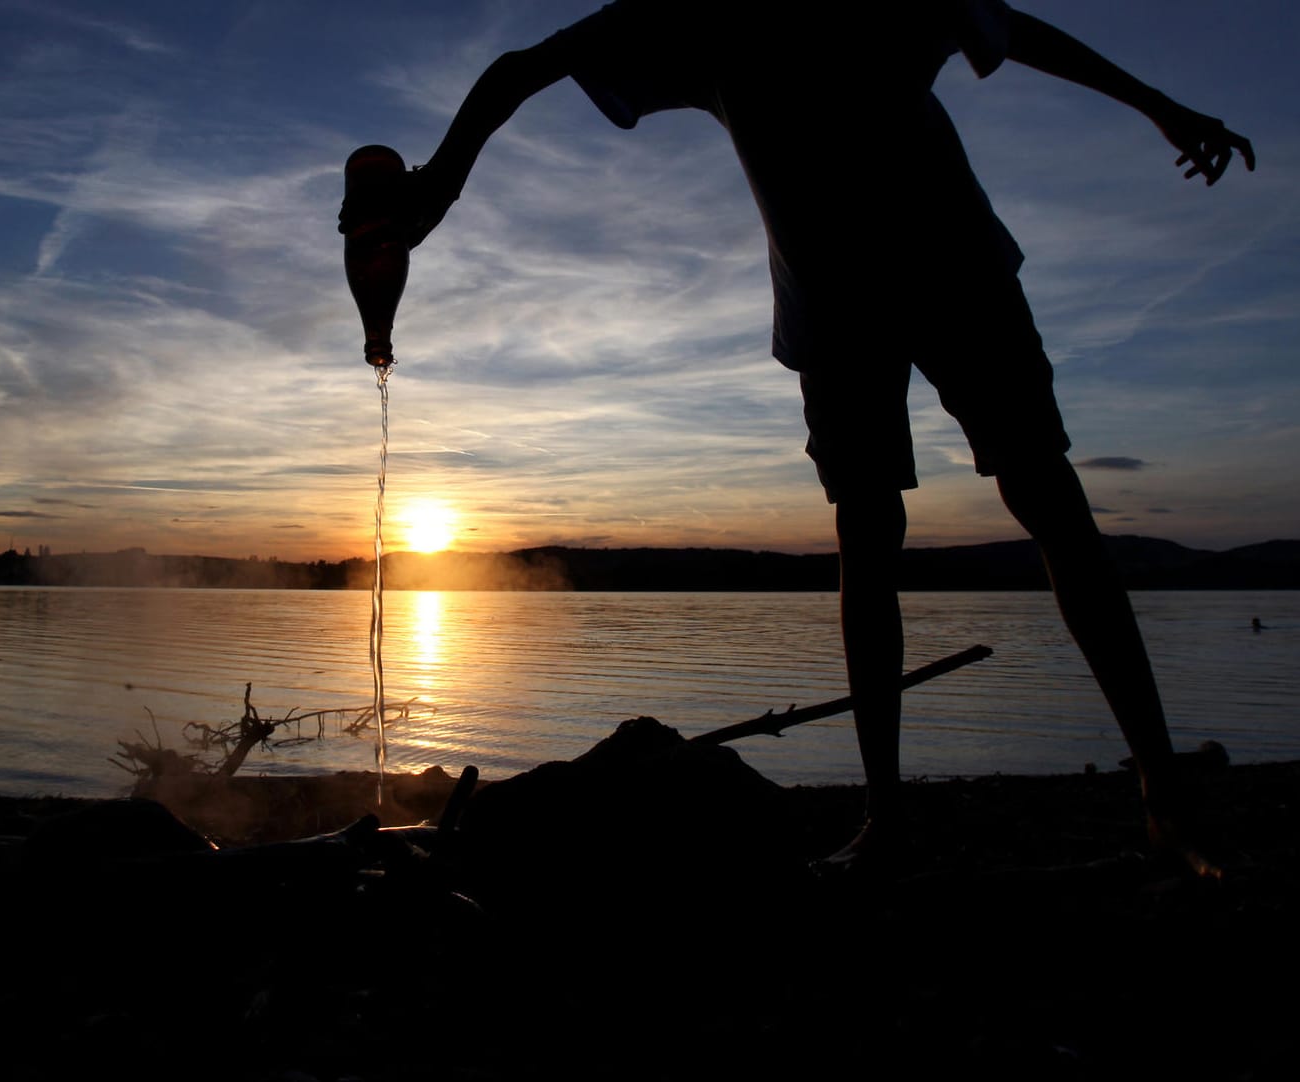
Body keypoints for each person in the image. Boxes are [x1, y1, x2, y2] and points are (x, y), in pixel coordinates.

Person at [376, 0, 1253, 875]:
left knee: (1047, 505)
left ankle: (1162, 798)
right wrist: (438, 187)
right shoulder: (694, 19)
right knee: (873, 543)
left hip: (960, 277)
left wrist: (1156, 104)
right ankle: (887, 820)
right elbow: (523, 68)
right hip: (837, 316)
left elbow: (1014, 31)